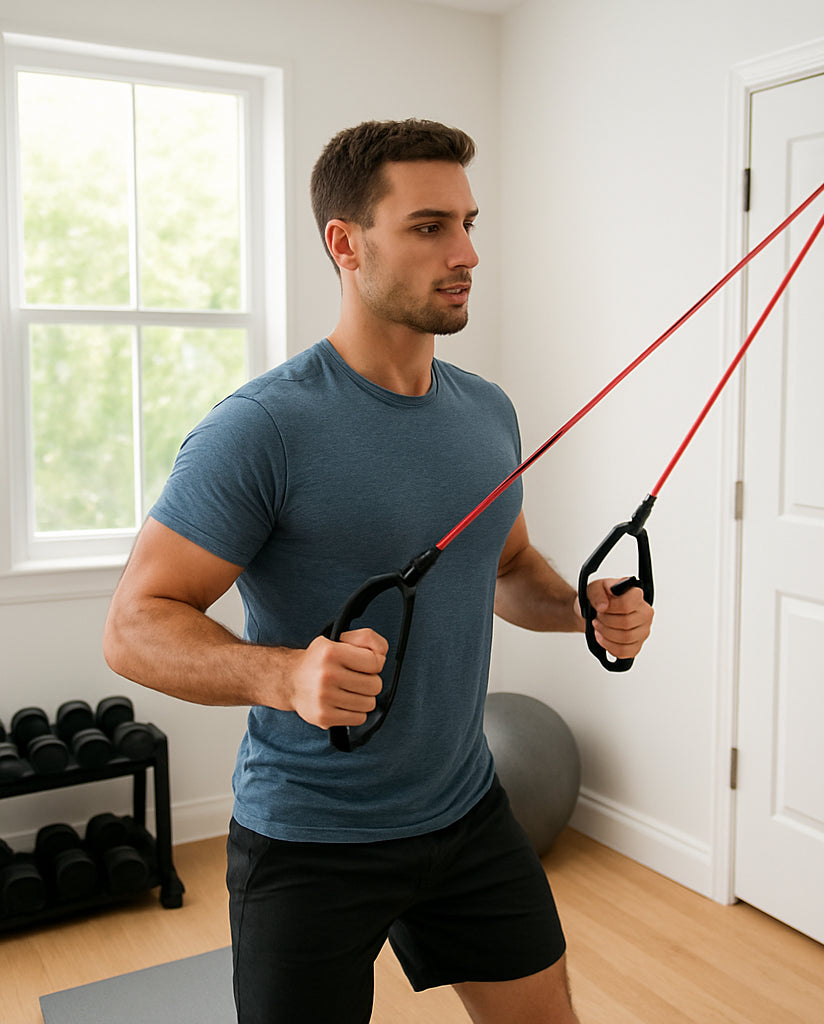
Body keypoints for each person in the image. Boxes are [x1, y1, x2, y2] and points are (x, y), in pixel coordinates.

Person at [103, 118, 653, 1024]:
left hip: (467, 811)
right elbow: (133, 624)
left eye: (469, 223)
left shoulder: (487, 413)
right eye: (430, 226)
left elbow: (505, 568)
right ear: (346, 244)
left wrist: (583, 611)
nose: (467, 251)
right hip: (309, 839)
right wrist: (283, 674)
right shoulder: (262, 428)